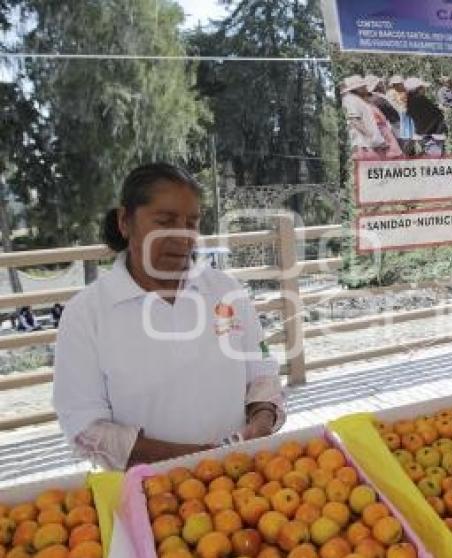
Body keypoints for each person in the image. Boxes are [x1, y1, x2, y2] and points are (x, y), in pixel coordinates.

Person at [53, 163, 285, 469]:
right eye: (165, 222)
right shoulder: (87, 314)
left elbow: (262, 373)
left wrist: (262, 420)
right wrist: (194, 460)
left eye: (192, 223)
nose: (183, 237)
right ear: (125, 221)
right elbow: (85, 427)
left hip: (240, 484)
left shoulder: (225, 290)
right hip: (147, 495)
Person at [340, 75, 388, 160]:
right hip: (363, 144)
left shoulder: (358, 99)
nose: (366, 88)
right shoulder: (350, 100)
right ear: (357, 88)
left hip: (369, 143)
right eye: (363, 86)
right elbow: (354, 121)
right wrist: (371, 135)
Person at [404, 77, 447, 157]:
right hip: (432, 137)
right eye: (422, 88)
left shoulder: (411, 100)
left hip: (425, 136)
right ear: (418, 89)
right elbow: (432, 117)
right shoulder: (421, 100)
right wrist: (439, 110)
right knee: (435, 159)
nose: (425, 89)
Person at [386, 75, 415, 156]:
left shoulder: (406, 91)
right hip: (398, 120)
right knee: (403, 140)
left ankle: (410, 155)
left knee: (411, 140)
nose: (399, 85)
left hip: (408, 119)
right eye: (396, 84)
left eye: (399, 84)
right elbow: (394, 106)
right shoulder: (391, 93)